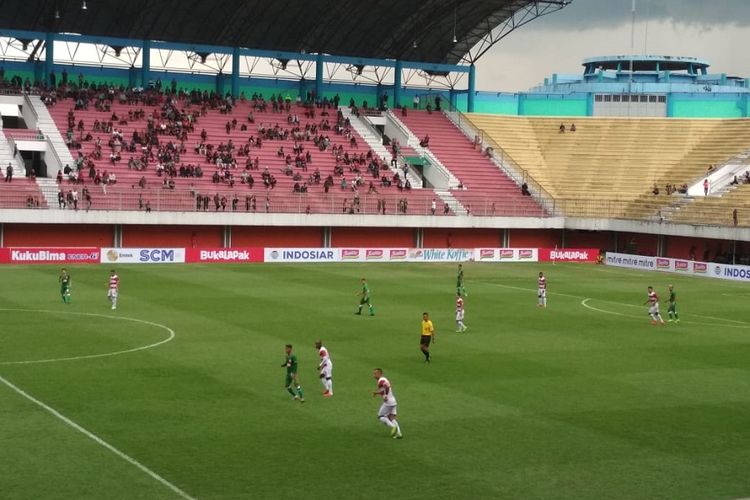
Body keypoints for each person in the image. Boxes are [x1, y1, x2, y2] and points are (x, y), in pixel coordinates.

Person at [372, 368, 403, 439]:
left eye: (375, 374)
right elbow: (384, 389)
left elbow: (387, 387)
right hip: (393, 401)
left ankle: (393, 427)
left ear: (380, 373)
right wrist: (376, 393)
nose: (374, 375)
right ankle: (399, 433)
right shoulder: (384, 379)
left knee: (380, 416)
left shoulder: (381, 380)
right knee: (391, 418)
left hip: (388, 402)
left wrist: (385, 396)